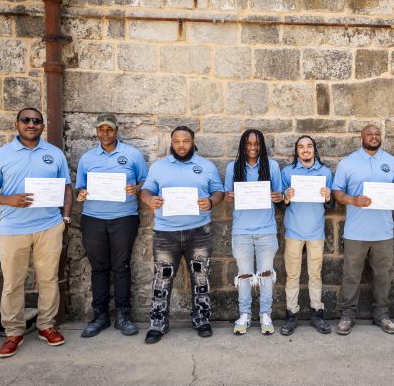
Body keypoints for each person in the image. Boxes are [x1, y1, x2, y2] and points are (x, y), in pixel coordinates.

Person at [0, 107, 73, 358]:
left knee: (48, 280)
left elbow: (67, 188)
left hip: (48, 227)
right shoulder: (0, 155)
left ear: (42, 126)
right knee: (13, 283)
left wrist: (64, 218)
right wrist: (9, 200)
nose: (31, 124)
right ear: (17, 124)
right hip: (13, 229)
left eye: (36, 121)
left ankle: (47, 326)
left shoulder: (54, 154)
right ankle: (13, 331)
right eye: (26, 120)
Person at [140, 126, 224, 343]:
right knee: (162, 279)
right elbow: (146, 190)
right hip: (166, 233)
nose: (181, 145)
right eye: (176, 141)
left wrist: (211, 201)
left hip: (199, 232)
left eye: (185, 141)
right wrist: (150, 200)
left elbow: (219, 191)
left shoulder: (206, 166)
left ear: (193, 141)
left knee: (201, 277)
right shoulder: (159, 167)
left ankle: (202, 319)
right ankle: (158, 323)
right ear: (171, 142)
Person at [75, 113, 148, 338]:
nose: (105, 134)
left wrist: (136, 189)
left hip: (124, 217)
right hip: (93, 218)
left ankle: (123, 316)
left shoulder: (132, 155)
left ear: (117, 131)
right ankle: (100, 316)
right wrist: (82, 193)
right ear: (96, 132)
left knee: (121, 266)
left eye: (109, 129)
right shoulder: (87, 158)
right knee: (99, 268)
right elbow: (80, 188)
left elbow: (145, 181)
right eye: (101, 130)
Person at [332, 124, 394, 335]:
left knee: (383, 276)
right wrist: (353, 199)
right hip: (356, 232)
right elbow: (337, 192)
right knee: (351, 275)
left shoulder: (391, 162)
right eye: (369, 134)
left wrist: (390, 219)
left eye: (377, 134)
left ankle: (382, 316)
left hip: (383, 232)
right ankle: (347, 316)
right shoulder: (348, 163)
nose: (374, 137)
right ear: (361, 137)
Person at [224, 129, 282, 335]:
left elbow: (280, 194)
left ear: (262, 145)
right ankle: (245, 314)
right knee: (244, 275)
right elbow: (226, 195)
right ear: (242, 145)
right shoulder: (233, 167)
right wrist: (229, 196)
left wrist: (278, 196)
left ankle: (265, 314)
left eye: (256, 144)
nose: (252, 147)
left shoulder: (272, 166)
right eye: (248, 144)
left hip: (266, 229)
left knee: (266, 275)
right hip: (241, 231)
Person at [280, 135, 334, 336]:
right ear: (297, 151)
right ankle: (291, 313)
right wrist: (286, 198)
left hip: (316, 232)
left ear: (314, 149)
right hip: (294, 231)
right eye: (301, 147)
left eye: (309, 146)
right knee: (292, 275)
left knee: (315, 274)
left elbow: (331, 204)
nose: (305, 150)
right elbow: (280, 203)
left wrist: (328, 197)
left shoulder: (325, 172)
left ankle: (317, 312)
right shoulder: (287, 172)